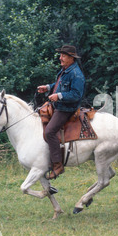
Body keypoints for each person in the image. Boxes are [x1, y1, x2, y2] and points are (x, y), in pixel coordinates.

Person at [37, 45, 85, 179]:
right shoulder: (66, 70)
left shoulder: (76, 74)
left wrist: (59, 96)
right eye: (61, 55)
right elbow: (59, 85)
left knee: (49, 132)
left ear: (71, 58)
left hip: (66, 109)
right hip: (60, 105)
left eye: (63, 56)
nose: (60, 58)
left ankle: (58, 165)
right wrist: (47, 87)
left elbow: (76, 95)